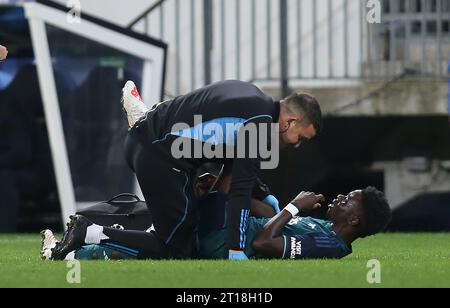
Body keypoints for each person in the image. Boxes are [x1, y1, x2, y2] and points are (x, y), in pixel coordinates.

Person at [50, 80, 322, 261]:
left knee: (177, 231)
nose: (298, 145)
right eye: (302, 137)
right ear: (290, 121)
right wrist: (236, 250)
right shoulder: (259, 124)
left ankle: (145, 116)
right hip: (158, 157)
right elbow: (239, 190)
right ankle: (88, 231)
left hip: (147, 142)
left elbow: (233, 159)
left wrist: (263, 193)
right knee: (175, 248)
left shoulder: (252, 96)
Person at [40, 187, 391, 261]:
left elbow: (264, 243)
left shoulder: (330, 246)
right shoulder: (326, 229)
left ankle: (150, 124)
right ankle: (73, 248)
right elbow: (271, 220)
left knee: (214, 175)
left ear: (355, 220)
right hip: (229, 229)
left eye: (348, 200)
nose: (340, 198)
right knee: (165, 241)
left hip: (228, 242)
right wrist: (268, 201)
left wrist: (292, 207)